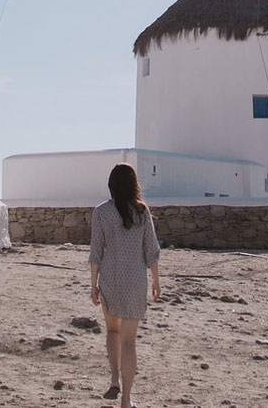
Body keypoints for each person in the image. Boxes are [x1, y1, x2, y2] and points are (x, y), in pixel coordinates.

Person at [90, 164, 161, 408]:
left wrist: (92, 285)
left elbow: (96, 252)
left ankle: (114, 379)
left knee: (112, 331)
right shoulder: (142, 212)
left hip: (110, 279)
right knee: (129, 341)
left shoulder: (101, 212)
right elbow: (151, 251)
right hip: (135, 282)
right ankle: (126, 400)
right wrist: (156, 281)